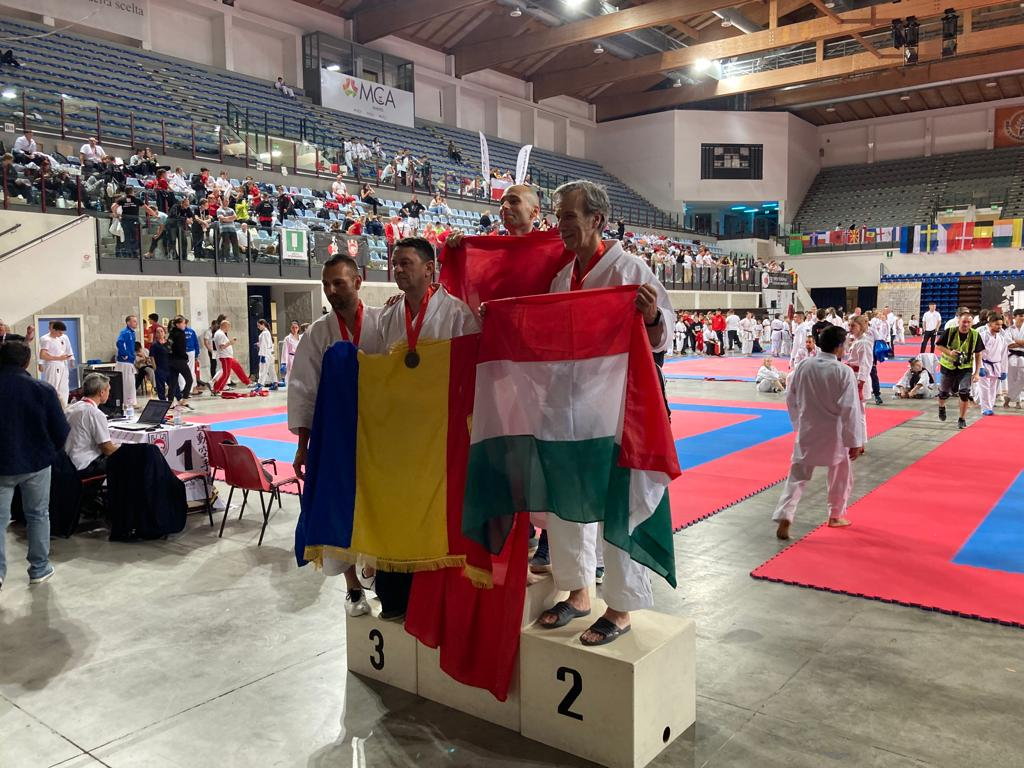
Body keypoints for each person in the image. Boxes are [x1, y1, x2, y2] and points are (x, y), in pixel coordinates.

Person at [539, 180, 673, 647]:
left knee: (620, 502)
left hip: (617, 409)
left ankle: (620, 608)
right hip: (569, 407)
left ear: (596, 219)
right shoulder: (562, 278)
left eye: (568, 217)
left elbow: (663, 337)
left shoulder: (629, 270)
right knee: (567, 501)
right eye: (558, 217)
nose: (560, 226)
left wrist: (651, 317)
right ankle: (578, 592)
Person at [370, 237, 479, 619]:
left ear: (430, 268)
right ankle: (394, 595)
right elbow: (379, 370)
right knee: (399, 512)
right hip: (400, 434)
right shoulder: (388, 315)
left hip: (440, 433)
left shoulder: (457, 313)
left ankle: (431, 600)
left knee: (434, 515)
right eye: (395, 263)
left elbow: (470, 373)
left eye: (406, 263)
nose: (398, 269)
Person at [289, 255, 385, 617]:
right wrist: (303, 447)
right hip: (333, 437)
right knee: (334, 508)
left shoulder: (382, 321)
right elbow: (303, 390)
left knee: (378, 505)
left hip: (378, 434)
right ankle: (353, 587)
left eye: (338, 283)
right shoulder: (318, 333)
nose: (331, 290)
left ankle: (378, 568)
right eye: (326, 284)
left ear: (357, 282)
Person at [772, 325, 864, 540]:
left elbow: (791, 397)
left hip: (808, 428)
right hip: (834, 433)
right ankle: (835, 515)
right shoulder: (843, 371)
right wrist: (855, 441)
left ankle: (785, 515)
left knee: (797, 476)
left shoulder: (804, 365)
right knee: (841, 474)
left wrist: (798, 423)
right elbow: (850, 408)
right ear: (839, 347)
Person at [0, 342, 70, 589]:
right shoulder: (42, 389)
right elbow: (61, 430)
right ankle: (39, 568)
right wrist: (49, 451)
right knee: (38, 515)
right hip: (36, 463)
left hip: (2, 465)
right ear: (26, 362)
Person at [936, 311, 984, 429]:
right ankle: (941, 407)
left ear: (972, 323)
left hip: (965, 368)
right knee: (944, 393)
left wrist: (977, 372)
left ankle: (962, 419)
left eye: (968, 322)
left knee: (964, 393)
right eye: (964, 322)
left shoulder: (975, 335)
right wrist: (949, 352)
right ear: (959, 321)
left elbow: (978, 354)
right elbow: (938, 345)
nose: (966, 324)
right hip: (948, 366)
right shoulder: (950, 332)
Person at [64, 373, 120, 475]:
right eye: (108, 390)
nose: (109, 394)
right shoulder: (95, 413)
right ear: (102, 392)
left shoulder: (71, 408)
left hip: (67, 463)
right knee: (126, 459)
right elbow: (107, 449)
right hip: (85, 465)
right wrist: (123, 449)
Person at [977, 314, 1009, 416]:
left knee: (993, 388)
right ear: (990, 324)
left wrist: (1004, 370)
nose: (1000, 327)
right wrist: (980, 367)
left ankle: (990, 407)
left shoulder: (1001, 338)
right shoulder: (983, 336)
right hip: (985, 364)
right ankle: (985, 408)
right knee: (984, 388)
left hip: (996, 365)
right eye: (997, 324)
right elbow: (978, 353)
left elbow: (1004, 355)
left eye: (1001, 325)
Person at [38, 321, 74, 406]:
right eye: (60, 332)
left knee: (64, 389)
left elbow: (66, 349)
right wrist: (58, 358)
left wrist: (70, 358)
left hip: (62, 365)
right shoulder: (46, 339)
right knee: (53, 388)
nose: (61, 334)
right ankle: (50, 407)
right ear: (54, 330)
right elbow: (42, 355)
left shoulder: (60, 338)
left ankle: (63, 407)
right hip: (53, 366)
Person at [212, 320, 252, 394]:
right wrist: (230, 342)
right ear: (224, 326)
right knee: (226, 374)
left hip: (228, 356)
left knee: (237, 367)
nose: (229, 328)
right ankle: (216, 389)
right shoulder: (220, 334)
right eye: (228, 327)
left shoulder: (221, 333)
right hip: (225, 356)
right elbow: (222, 347)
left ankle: (248, 382)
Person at [167, 317, 194, 407]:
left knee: (173, 382)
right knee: (189, 380)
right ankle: (184, 399)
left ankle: (170, 402)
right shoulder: (181, 333)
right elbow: (180, 349)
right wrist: (185, 357)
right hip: (179, 360)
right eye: (183, 323)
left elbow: (169, 347)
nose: (184, 325)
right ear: (177, 324)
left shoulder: (171, 333)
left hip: (171, 360)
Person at [116, 316, 139, 409]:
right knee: (127, 383)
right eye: (134, 321)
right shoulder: (125, 332)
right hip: (125, 362)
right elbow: (119, 343)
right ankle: (128, 402)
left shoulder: (132, 333)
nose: (136, 323)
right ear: (128, 323)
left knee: (131, 383)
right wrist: (125, 354)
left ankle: (131, 402)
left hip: (130, 361)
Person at [1005, 308, 1024, 409]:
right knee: (1012, 379)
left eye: (1023, 316)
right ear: (1014, 317)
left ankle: (1008, 397)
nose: (1022, 318)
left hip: (1023, 355)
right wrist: (1021, 343)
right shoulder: (1009, 329)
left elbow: (1013, 342)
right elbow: (1009, 344)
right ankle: (1017, 401)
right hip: (1012, 356)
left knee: (1022, 378)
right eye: (1020, 316)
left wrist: (1015, 341)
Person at [255, 319, 276, 388]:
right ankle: (275, 383)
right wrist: (258, 344)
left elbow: (264, 345)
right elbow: (268, 344)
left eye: (259, 325)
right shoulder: (267, 332)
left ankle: (259, 386)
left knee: (262, 370)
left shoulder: (264, 333)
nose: (258, 327)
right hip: (270, 354)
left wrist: (263, 356)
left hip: (265, 354)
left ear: (263, 324)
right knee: (271, 370)